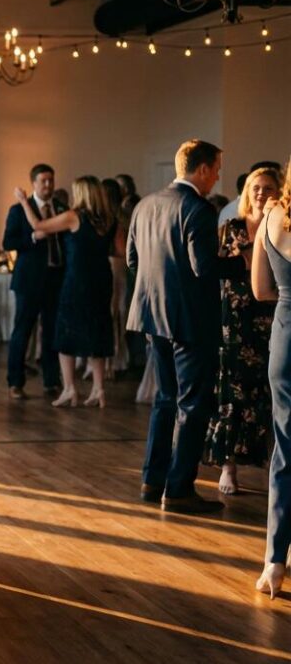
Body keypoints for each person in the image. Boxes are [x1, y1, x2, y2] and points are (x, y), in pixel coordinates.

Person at [127, 139, 245, 514]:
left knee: (165, 399)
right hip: (190, 321)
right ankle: (178, 489)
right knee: (193, 406)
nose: (217, 177)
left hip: (152, 316)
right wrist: (242, 263)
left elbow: (132, 261)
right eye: (216, 169)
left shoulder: (145, 204)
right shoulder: (197, 208)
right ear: (202, 169)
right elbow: (204, 268)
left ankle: (152, 479)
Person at [206, 166, 283, 494]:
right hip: (235, 320)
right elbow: (215, 269)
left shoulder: (281, 226)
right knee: (232, 391)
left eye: (268, 187)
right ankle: (228, 467)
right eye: (256, 187)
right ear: (247, 192)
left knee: (268, 391)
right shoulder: (231, 228)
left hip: (270, 315)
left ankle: (271, 463)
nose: (261, 192)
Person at [15, 176, 120, 408]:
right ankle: (98, 389)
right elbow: (117, 250)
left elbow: (39, 226)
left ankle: (70, 388)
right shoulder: (109, 219)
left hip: (77, 280)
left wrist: (23, 201)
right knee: (98, 330)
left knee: (65, 332)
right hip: (102, 279)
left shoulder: (74, 217)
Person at [250, 162, 291, 597]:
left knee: (285, 448)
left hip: (285, 339)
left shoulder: (270, 216)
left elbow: (260, 290)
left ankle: (273, 563)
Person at [3, 163, 67, 400]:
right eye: (43, 181)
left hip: (55, 278)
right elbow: (8, 242)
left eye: (51, 180)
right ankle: (15, 382)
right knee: (23, 331)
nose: (48, 185)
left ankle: (51, 381)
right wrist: (32, 237)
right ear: (33, 184)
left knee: (51, 331)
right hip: (29, 280)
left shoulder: (61, 208)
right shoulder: (19, 210)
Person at [101, 178, 131, 376]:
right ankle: (115, 361)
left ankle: (106, 362)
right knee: (117, 314)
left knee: (110, 313)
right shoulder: (121, 217)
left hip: (109, 265)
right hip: (118, 266)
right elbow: (123, 250)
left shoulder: (102, 217)